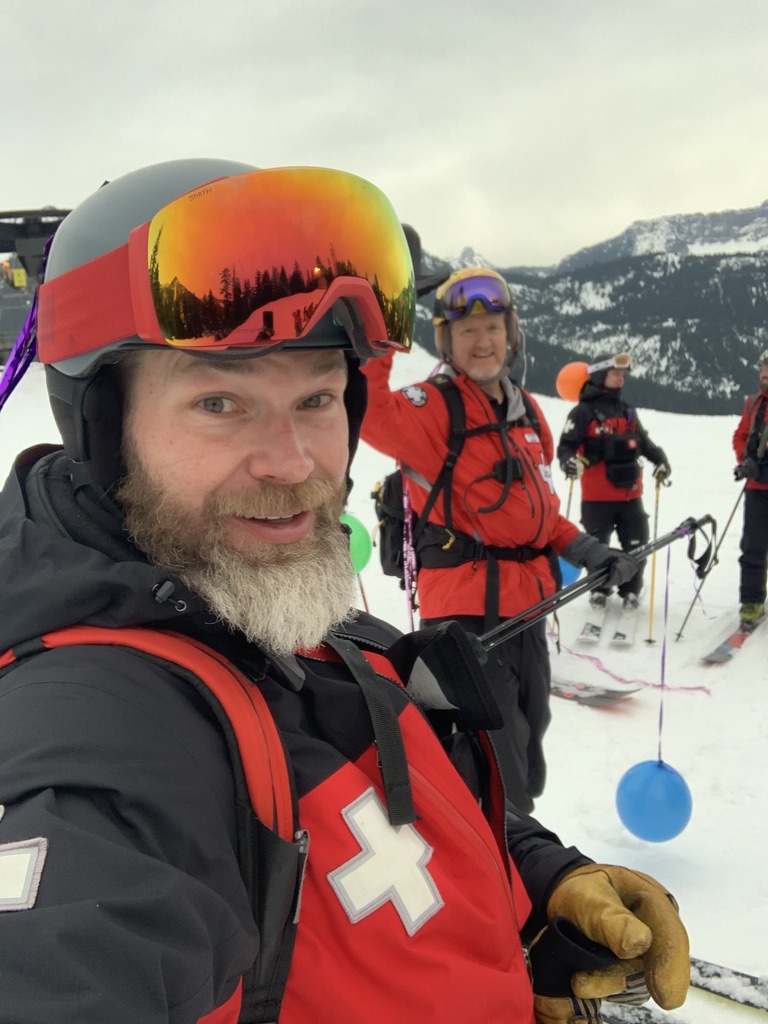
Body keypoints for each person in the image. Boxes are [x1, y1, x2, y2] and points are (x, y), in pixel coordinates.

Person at [0, 161, 689, 1024]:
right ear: (102, 427)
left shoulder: (291, 614)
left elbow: (384, 796)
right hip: (464, 593)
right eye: (220, 402)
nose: (293, 465)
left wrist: (536, 881)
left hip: (522, 600)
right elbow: (72, 946)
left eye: (319, 398)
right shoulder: (99, 723)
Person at [360, 268, 639, 813]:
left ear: (511, 332)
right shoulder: (431, 407)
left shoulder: (526, 410)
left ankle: (515, 861)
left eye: (493, 326)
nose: (482, 341)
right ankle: (508, 878)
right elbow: (365, 406)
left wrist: (588, 550)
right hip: (467, 624)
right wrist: (387, 312)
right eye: (466, 331)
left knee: (529, 754)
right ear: (445, 341)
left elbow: (541, 513)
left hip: (529, 612)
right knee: (492, 772)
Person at [556, 354, 671, 612]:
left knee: (637, 544)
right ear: (599, 375)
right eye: (615, 373)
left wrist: (660, 460)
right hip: (596, 497)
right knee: (599, 549)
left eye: (623, 374)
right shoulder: (582, 412)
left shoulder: (627, 410)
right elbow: (566, 446)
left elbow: (642, 441)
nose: (621, 378)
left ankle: (631, 590)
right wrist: (569, 462)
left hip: (631, 495)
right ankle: (599, 589)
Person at [732, 348, 768, 625]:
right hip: (757, 488)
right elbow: (741, 435)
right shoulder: (755, 402)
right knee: (753, 547)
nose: (764, 374)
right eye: (762, 369)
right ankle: (751, 601)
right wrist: (745, 460)